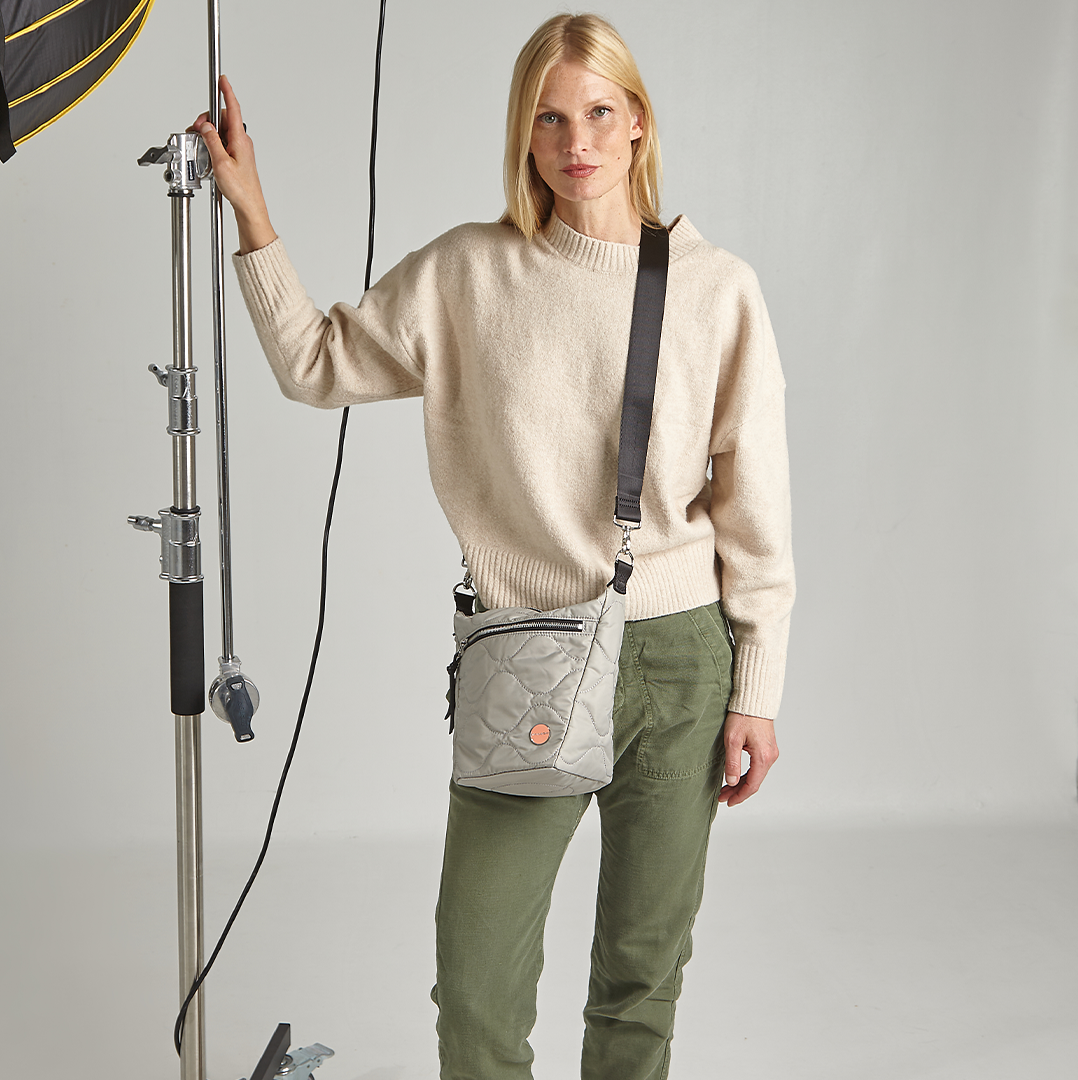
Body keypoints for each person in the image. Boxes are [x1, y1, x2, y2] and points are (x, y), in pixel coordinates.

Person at [192, 12, 794, 1079]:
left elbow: (755, 510)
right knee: (476, 987)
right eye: (550, 118)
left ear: (640, 122)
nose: (578, 141)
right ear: (524, 135)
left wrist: (757, 687)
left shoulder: (716, 289)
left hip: (682, 662)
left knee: (640, 981)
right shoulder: (468, 275)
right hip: (529, 663)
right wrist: (251, 213)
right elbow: (314, 366)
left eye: (600, 112)